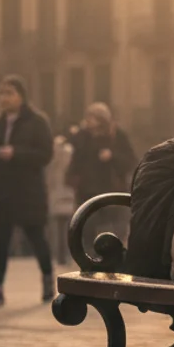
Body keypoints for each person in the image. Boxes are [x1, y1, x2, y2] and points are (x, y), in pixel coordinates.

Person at [0, 75, 55, 307]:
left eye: (9, 93)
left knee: (36, 236)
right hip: (2, 189)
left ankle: (47, 279)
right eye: (1, 93)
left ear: (21, 96)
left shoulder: (37, 121)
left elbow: (45, 154)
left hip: (28, 190)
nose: (4, 98)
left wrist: (16, 153)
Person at [66, 103, 135, 253]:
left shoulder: (117, 135)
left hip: (111, 189)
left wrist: (112, 156)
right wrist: (72, 178)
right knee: (87, 226)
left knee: (112, 226)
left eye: (94, 118)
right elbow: (76, 158)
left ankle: (112, 254)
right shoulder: (83, 136)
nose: (90, 121)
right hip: (87, 190)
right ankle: (90, 255)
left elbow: (130, 160)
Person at [47, 134, 75, 265]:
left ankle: (62, 254)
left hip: (64, 193)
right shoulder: (57, 160)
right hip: (61, 194)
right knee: (63, 225)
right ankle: (62, 254)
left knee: (64, 225)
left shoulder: (56, 159)